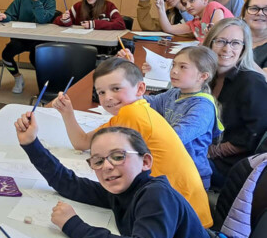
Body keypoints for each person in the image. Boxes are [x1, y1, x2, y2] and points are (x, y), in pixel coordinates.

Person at [13, 118, 253, 238]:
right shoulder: (122, 190)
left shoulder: (156, 195)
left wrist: (74, 225)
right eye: (97, 160)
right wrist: (32, 144)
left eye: (118, 156)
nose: (106, 166)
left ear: (146, 161)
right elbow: (69, 184)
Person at [51, 57, 212, 226]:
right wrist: (67, 113)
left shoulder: (132, 115)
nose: (108, 98)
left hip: (183, 216)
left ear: (140, 88)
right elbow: (82, 142)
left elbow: (90, 149)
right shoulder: (130, 112)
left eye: (116, 88)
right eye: (101, 92)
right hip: (180, 207)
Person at [118, 46, 221, 188]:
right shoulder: (174, 94)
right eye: (174, 65)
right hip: (169, 170)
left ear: (203, 76)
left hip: (190, 179)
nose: (174, 70)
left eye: (183, 67)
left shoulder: (203, 108)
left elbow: (175, 137)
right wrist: (127, 72)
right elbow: (143, 102)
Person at [204, 18, 267, 188]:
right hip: (206, 151)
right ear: (210, 43)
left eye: (235, 43)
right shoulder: (207, 76)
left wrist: (210, 151)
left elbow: (251, 138)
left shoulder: (252, 82)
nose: (227, 49)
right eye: (221, 41)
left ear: (243, 49)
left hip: (228, 167)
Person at [0, 0, 58, 93]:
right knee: (6, 54)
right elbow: (10, 15)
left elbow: (42, 19)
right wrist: (4, 17)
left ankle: (45, 83)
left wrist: (36, 2)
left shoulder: (50, 1)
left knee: (35, 58)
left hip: (40, 39)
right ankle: (17, 77)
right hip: (21, 37)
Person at [155, 0, 232, 43]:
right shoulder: (195, 22)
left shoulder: (212, 6)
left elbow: (218, 32)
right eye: (185, 4)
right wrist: (160, 8)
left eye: (191, 1)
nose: (188, 6)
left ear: (205, 0)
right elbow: (169, 29)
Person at [243, 0, 267, 75]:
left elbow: (265, 80)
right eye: (254, 8)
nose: (260, 13)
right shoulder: (232, 36)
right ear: (244, 13)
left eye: (266, 9)